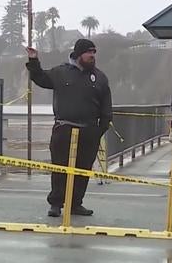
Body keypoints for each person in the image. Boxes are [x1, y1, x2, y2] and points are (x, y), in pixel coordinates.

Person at [25, 39, 113, 217]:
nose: (92, 56)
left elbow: (106, 108)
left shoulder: (100, 78)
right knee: (60, 168)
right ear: (79, 54)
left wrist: (98, 131)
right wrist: (34, 60)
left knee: (83, 169)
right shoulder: (61, 72)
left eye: (94, 53)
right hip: (64, 129)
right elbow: (40, 78)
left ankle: (75, 203)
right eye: (89, 52)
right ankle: (56, 204)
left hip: (89, 131)